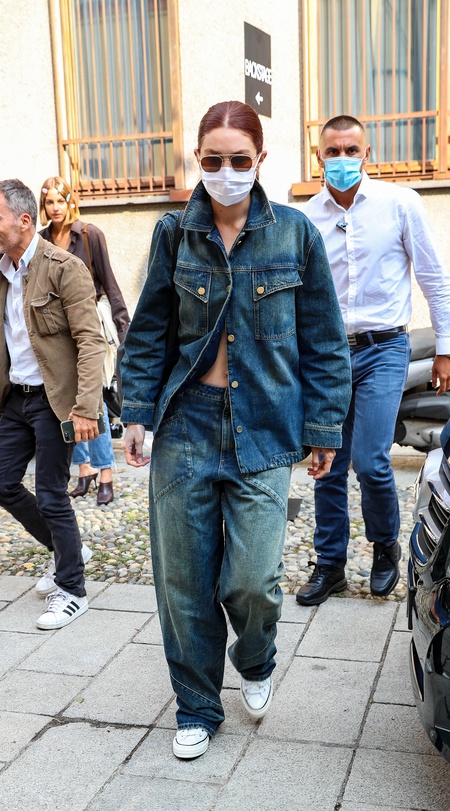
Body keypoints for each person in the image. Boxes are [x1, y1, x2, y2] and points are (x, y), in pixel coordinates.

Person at [119, 100, 352, 760]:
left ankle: (255, 656)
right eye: (213, 159)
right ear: (198, 159)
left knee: (252, 578)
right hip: (186, 425)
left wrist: (324, 427)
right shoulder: (174, 234)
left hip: (266, 426)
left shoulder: (296, 235)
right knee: (183, 582)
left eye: (239, 160)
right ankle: (196, 705)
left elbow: (325, 341)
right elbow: (148, 332)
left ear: (261, 160)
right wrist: (135, 413)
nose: (226, 171)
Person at [297, 114, 450, 607]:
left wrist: (445, 348)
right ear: (319, 156)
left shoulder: (399, 203)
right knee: (326, 461)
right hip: (327, 354)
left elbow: (434, 278)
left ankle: (385, 547)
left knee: (370, 460)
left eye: (351, 150)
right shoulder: (306, 218)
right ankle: (330, 564)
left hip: (384, 348)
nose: (342, 159)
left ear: (368, 153)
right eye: (332, 151)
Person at [0, 178, 105, 628]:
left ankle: (72, 590)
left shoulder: (64, 267)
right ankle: (68, 550)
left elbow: (90, 340)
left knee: (50, 495)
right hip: (14, 398)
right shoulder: (2, 271)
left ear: (24, 220)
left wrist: (85, 407)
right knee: (3, 482)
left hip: (53, 399)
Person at [39, 177, 130, 505]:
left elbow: (110, 283)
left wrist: (124, 329)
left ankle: (105, 472)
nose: (56, 208)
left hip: (89, 326)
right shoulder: (41, 240)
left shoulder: (90, 235)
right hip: (56, 333)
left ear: (70, 202)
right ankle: (84, 468)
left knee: (94, 400)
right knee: (66, 399)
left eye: (60, 201)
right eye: (49, 202)